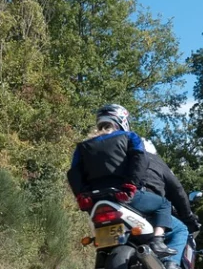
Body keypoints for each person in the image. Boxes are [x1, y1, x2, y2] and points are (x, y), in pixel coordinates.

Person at [67, 104, 174, 256]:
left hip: (96, 201)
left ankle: (104, 253)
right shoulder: (130, 137)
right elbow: (140, 161)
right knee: (164, 204)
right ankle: (157, 241)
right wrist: (131, 185)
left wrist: (82, 195)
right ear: (122, 120)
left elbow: (73, 173)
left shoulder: (82, 147)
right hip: (123, 195)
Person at [141, 141, 201, 269]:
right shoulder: (156, 161)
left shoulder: (123, 161)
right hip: (148, 209)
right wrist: (188, 217)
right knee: (181, 229)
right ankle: (171, 263)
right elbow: (178, 191)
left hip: (123, 206)